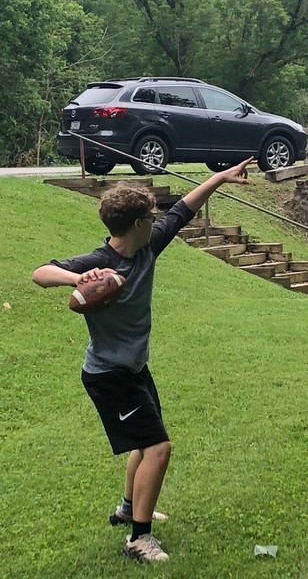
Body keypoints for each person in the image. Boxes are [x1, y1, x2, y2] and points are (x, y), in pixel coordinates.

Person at [31, 158, 255, 563]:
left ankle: (127, 508)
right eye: (150, 217)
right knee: (159, 448)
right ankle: (139, 538)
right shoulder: (97, 262)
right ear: (136, 224)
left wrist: (220, 177)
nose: (156, 221)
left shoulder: (148, 246)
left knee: (144, 443)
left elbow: (183, 209)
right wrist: (80, 278)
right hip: (108, 374)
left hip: (133, 367)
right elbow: (40, 273)